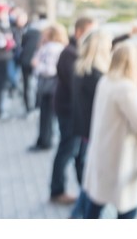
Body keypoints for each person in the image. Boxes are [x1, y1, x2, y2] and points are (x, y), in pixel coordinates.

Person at [82, 43, 137, 219]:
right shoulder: (127, 88)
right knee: (128, 209)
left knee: (96, 202)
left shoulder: (106, 81)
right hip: (119, 158)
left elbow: (121, 110)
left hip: (103, 153)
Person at [49, 17, 96, 205]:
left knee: (78, 153)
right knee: (67, 150)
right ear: (79, 32)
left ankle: (85, 192)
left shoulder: (75, 51)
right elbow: (77, 84)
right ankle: (57, 191)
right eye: (89, 33)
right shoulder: (69, 54)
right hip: (68, 111)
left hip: (74, 111)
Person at [28, 23, 68, 152]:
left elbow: (50, 70)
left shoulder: (51, 48)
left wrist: (36, 65)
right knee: (47, 115)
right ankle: (44, 140)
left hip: (49, 85)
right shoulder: (58, 48)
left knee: (47, 115)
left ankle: (45, 141)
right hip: (51, 85)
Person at [19, 15, 48, 115]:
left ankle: (28, 107)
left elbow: (22, 45)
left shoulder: (28, 32)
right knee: (38, 84)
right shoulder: (41, 35)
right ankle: (37, 106)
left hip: (26, 60)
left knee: (26, 85)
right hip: (35, 61)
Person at [8, 9, 28, 97]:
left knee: (17, 74)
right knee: (11, 75)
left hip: (22, 54)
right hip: (12, 54)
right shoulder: (11, 28)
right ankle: (14, 87)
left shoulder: (27, 29)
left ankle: (14, 89)